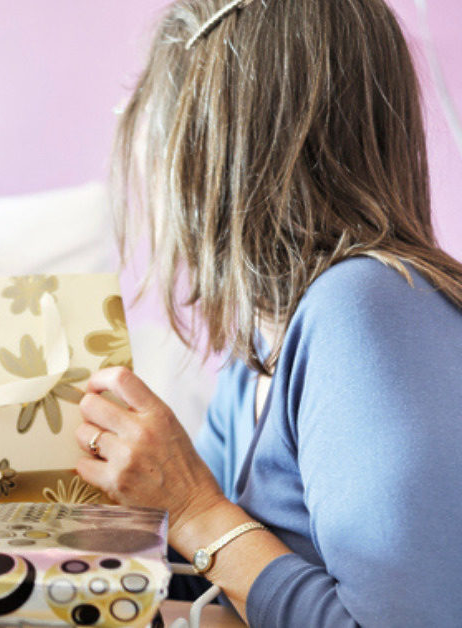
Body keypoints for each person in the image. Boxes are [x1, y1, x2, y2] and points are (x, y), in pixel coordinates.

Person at [73, 0, 462, 625]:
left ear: (207, 138)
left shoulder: (366, 309)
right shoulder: (256, 347)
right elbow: (213, 582)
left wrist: (196, 508)